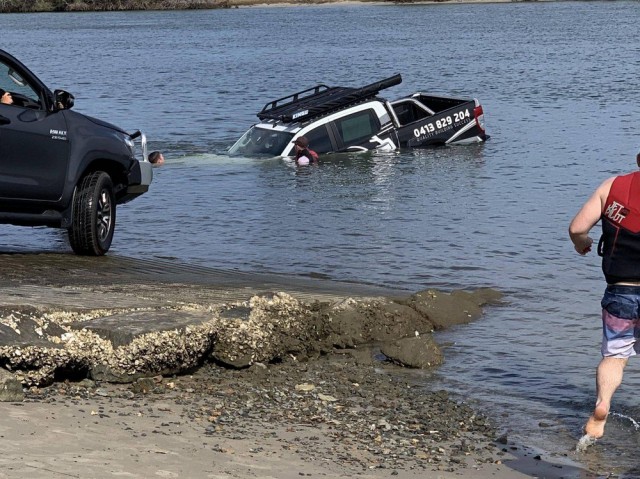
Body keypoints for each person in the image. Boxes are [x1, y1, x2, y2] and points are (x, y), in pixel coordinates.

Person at [569, 150, 640, 441]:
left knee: (614, 356)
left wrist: (581, 243)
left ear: (639, 159)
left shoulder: (613, 187)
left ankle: (602, 407)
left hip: (620, 289)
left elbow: (577, 228)